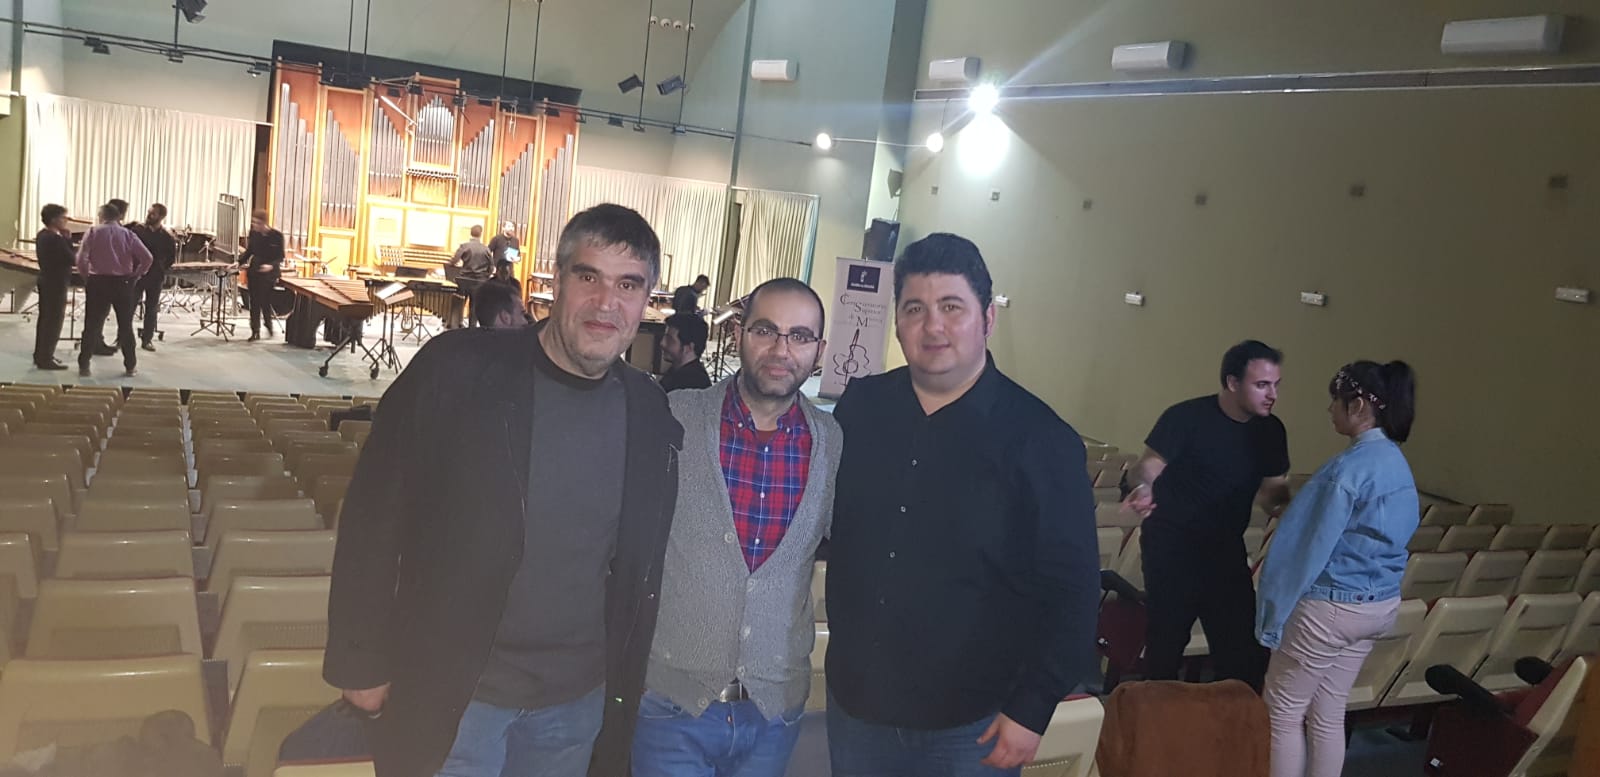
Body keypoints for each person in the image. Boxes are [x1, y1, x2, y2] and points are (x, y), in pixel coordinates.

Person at [325, 203, 683, 777]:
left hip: (577, 702)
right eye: (588, 276)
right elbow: (372, 517)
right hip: (457, 694)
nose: (605, 302)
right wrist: (360, 660)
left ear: (646, 301)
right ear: (556, 282)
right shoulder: (456, 370)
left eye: (628, 285)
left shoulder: (649, 409)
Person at [826, 233, 1100, 776]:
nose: (933, 327)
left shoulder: (1042, 440)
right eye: (915, 309)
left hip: (974, 725)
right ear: (897, 322)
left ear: (987, 318)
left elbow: (1073, 591)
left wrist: (1032, 708)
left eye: (952, 307)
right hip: (857, 708)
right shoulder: (861, 408)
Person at [632, 277, 841, 777]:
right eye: (765, 330)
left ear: (819, 351)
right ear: (738, 334)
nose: (781, 350)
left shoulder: (832, 443)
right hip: (670, 706)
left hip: (774, 712)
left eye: (800, 336)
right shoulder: (675, 418)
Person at [1256, 361, 1419, 777]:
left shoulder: (1346, 470)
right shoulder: (1397, 463)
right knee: (1328, 713)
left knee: (1282, 712)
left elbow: (1303, 551)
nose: (1330, 409)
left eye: (1335, 400)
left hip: (1329, 609)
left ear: (1359, 405)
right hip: (1377, 606)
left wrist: (1272, 614)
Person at [1122, 340, 1293, 691]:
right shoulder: (1185, 417)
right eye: (1262, 385)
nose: (1272, 394)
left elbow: (1273, 493)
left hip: (1225, 550)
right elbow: (1148, 466)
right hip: (1172, 548)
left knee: (1241, 655)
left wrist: (1297, 512)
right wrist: (1143, 488)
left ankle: (1228, 721)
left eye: (1276, 385)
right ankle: (1157, 717)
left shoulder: (1271, 430)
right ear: (1232, 382)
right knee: (1166, 646)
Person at [75, 203, 152, 378]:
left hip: (98, 282)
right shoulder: (128, 234)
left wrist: (86, 276)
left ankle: (84, 365)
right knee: (125, 325)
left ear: (101, 216)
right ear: (118, 217)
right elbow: (147, 258)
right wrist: (136, 275)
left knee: (91, 325)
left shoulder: (93, 232)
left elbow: (81, 259)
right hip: (122, 283)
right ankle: (130, 366)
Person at [128, 203, 177, 352]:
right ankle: (123, 337)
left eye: (153, 213)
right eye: (149, 212)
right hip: (137, 274)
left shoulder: (167, 237)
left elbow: (171, 258)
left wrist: (160, 267)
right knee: (129, 307)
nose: (149, 215)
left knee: (151, 308)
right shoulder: (137, 231)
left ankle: (147, 339)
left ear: (161, 217)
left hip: (155, 276)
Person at [32, 204, 75, 371]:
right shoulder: (55, 239)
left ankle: (41, 355)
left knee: (45, 320)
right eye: (64, 217)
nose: (66, 220)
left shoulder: (42, 234)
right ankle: (46, 358)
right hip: (56, 283)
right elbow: (71, 258)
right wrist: (68, 239)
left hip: (46, 280)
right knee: (54, 321)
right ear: (54, 219)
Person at [240, 209, 285, 342]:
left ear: (264, 223)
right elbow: (249, 252)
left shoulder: (277, 236)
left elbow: (280, 257)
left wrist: (270, 266)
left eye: (257, 223)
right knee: (254, 301)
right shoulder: (254, 234)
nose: (254, 225)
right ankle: (255, 331)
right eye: (253, 222)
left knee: (265, 300)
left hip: (269, 273)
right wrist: (238, 262)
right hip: (255, 271)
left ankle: (268, 324)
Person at [447, 224, 496, 328]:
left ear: (470, 233)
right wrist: (485, 276)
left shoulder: (465, 246)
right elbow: (491, 266)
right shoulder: (486, 249)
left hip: (464, 280)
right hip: (479, 282)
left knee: (459, 304)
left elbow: (454, 261)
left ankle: (455, 326)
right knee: (474, 307)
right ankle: (472, 329)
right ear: (481, 234)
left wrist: (450, 264)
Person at [658, 313, 711, 393]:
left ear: (689, 347)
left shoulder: (692, 384)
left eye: (670, 340)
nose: (662, 343)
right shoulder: (678, 371)